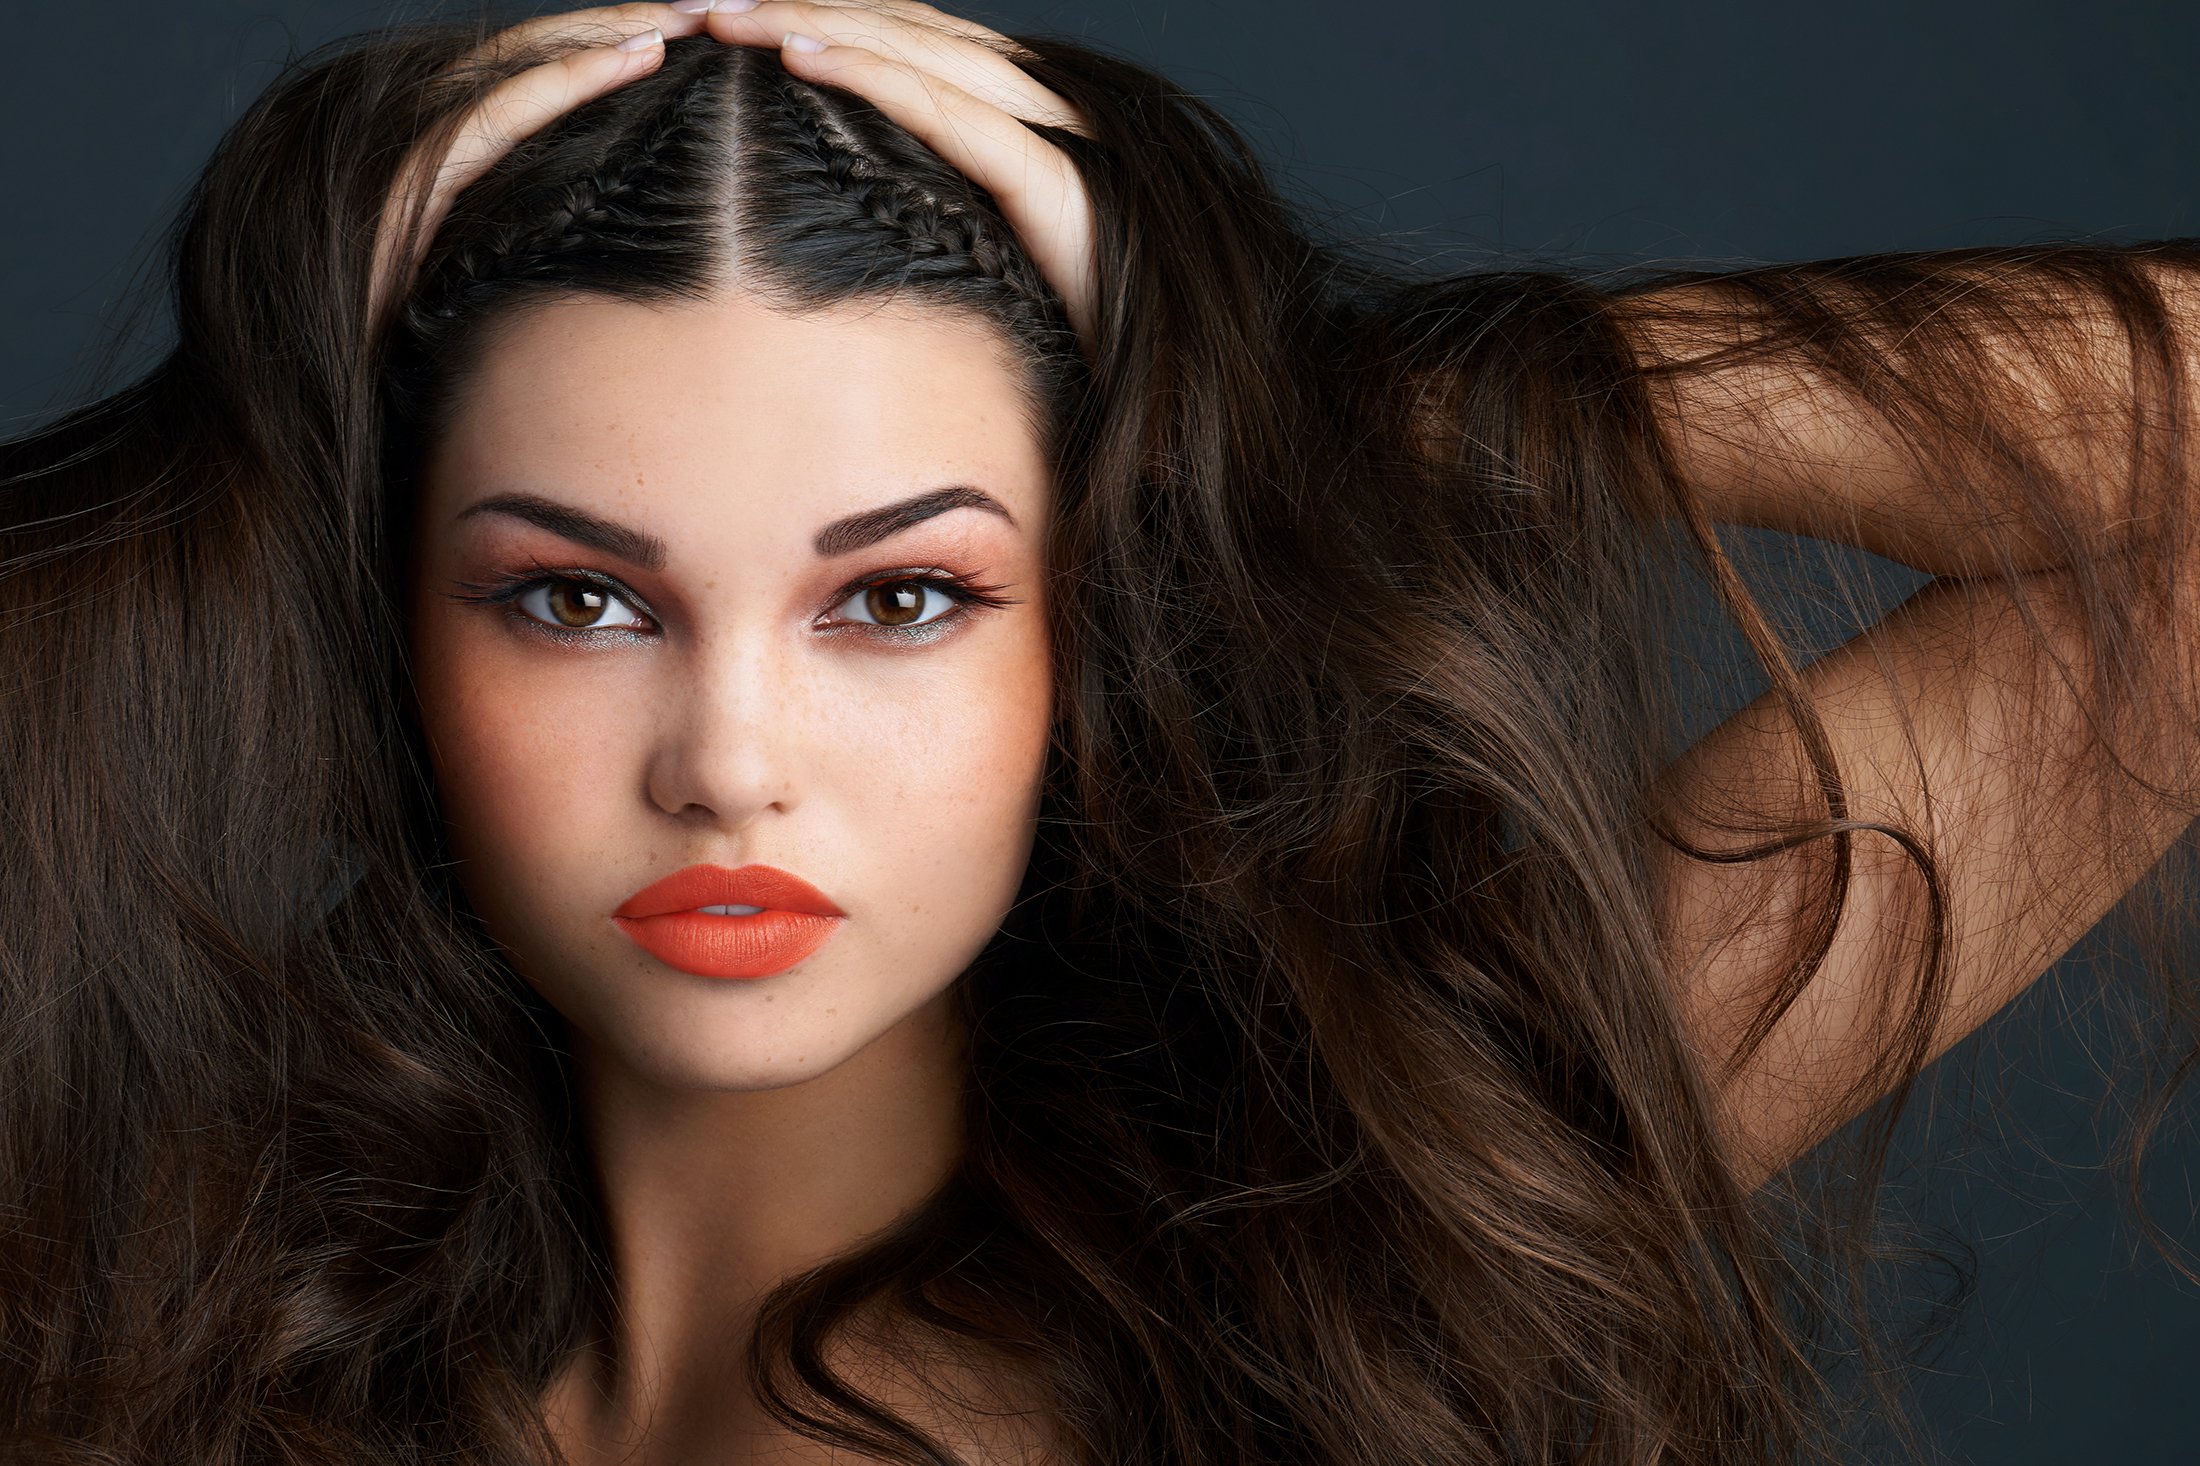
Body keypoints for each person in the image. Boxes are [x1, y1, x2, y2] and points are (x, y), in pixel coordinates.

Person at [3, 3, 2197, 1462]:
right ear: (379, 617)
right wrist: (259, 459)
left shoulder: (1341, 1249)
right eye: (576, 597)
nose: (729, 757)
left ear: (1104, 601)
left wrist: (1276, 419)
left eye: (901, 596)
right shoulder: (149, 1327)